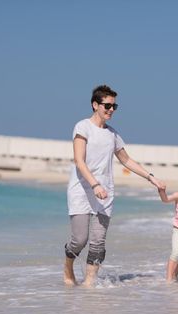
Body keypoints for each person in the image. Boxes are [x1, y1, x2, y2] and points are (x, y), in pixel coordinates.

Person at [64, 85, 164, 287]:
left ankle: (89, 283)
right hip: (82, 189)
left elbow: (127, 160)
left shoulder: (113, 134)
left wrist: (150, 177)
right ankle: (68, 268)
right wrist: (94, 185)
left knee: (98, 241)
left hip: (105, 191)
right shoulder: (82, 127)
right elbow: (79, 161)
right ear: (95, 105)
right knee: (80, 240)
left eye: (114, 106)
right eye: (107, 105)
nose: (111, 110)